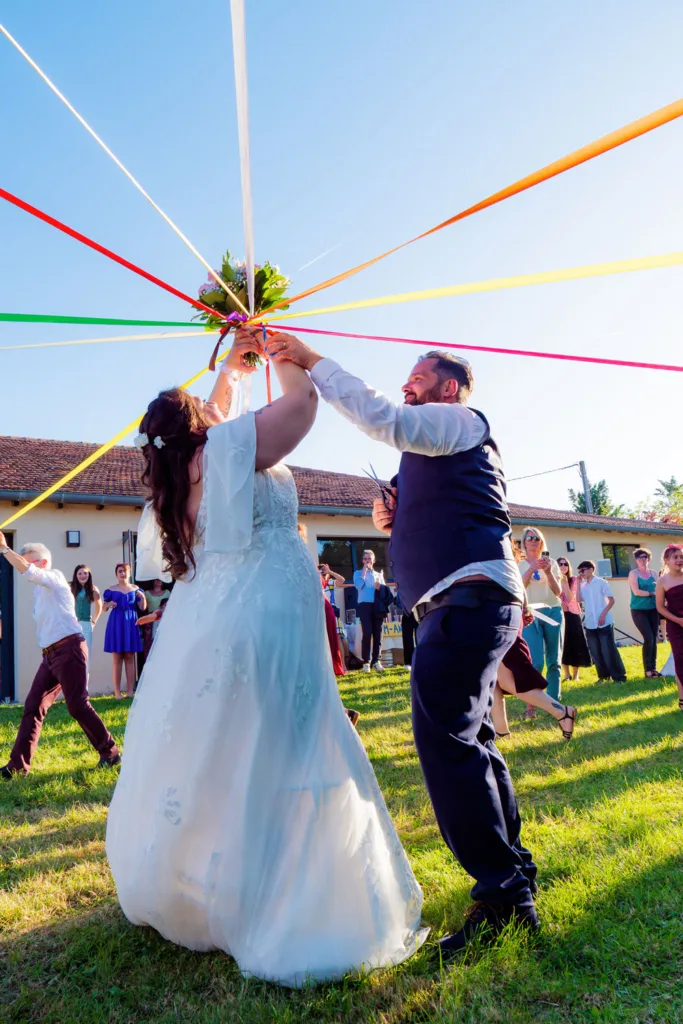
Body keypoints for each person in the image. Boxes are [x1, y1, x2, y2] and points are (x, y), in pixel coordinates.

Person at [106, 328, 425, 987]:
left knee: (226, 744)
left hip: (211, 619)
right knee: (283, 739)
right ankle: (278, 897)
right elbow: (301, 410)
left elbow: (222, 411)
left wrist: (237, 363)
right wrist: (289, 355)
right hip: (267, 613)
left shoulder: (182, 473)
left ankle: (209, 880)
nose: (215, 404)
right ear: (198, 425)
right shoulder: (225, 447)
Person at [267, 332, 538, 954]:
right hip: (466, 600)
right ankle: (512, 873)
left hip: (469, 598)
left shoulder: (459, 420)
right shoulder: (433, 444)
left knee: (444, 740)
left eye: (417, 377)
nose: (406, 385)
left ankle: (502, 897)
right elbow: (427, 501)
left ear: (447, 387)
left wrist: (310, 361)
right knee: (471, 739)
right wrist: (393, 517)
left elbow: (385, 420)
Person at [0, 537, 120, 777]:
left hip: (70, 649)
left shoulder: (54, 577)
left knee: (77, 705)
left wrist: (4, 549)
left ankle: (111, 754)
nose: (23, 564)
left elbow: (29, 572)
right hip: (50, 656)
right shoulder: (39, 592)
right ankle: (18, 766)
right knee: (33, 706)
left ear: (42, 562)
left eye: (28, 560)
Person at [518, 528, 564, 706]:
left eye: (536, 538)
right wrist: (531, 569)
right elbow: (518, 587)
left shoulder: (551, 562)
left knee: (554, 660)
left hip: (552, 611)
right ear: (524, 542)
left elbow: (558, 592)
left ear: (541, 541)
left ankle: (554, 703)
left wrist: (548, 572)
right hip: (530, 614)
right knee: (535, 661)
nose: (533, 540)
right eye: (529, 537)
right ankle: (533, 701)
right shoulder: (519, 564)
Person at [576, 560, 627, 682]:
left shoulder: (601, 582)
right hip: (590, 623)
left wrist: (603, 614)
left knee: (608, 650)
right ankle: (603, 676)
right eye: (579, 571)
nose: (581, 573)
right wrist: (578, 584)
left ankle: (619, 676)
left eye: (582, 570)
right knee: (595, 651)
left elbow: (611, 600)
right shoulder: (583, 586)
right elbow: (578, 599)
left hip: (604, 622)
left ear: (590, 569)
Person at [102, 564, 147, 699]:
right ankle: (117, 692)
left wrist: (143, 598)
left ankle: (129, 691)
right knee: (117, 657)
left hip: (131, 622)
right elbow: (104, 608)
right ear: (116, 574)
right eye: (120, 571)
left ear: (129, 573)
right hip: (116, 622)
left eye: (125, 571)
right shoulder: (110, 590)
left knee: (129, 656)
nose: (123, 573)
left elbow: (142, 608)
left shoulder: (136, 589)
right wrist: (108, 605)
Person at [655, 544, 683, 711]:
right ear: (666, 561)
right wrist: (678, 620)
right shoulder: (662, 581)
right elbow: (660, 607)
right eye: (675, 557)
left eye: (681, 557)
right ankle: (682, 698)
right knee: (680, 661)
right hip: (676, 625)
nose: (679, 560)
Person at [351, 549, 387, 672]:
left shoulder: (378, 574)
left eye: (369, 559)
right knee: (367, 633)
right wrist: (364, 572)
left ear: (373, 560)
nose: (367, 561)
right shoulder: (357, 573)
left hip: (377, 606)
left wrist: (379, 588)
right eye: (365, 559)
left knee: (378, 634)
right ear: (362, 561)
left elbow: (384, 592)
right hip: (364, 606)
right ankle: (366, 662)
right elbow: (359, 586)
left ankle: (376, 661)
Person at [557, 557, 591, 682]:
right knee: (563, 644)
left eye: (565, 564)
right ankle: (566, 674)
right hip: (560, 613)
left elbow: (571, 598)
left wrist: (565, 583)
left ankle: (575, 675)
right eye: (560, 564)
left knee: (576, 643)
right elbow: (552, 595)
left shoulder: (574, 580)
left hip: (573, 614)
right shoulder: (553, 579)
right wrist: (561, 603)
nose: (563, 566)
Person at [628, 548, 661, 678]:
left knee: (654, 639)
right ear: (636, 560)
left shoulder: (654, 573)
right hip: (638, 610)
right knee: (649, 638)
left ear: (649, 559)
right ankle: (647, 670)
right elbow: (636, 592)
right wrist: (652, 593)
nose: (642, 559)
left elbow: (660, 588)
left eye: (645, 557)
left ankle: (654, 669)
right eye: (639, 557)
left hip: (653, 609)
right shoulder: (633, 573)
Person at [70, 564, 103, 660]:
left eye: (85, 573)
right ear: (76, 575)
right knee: (72, 654)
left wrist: (93, 622)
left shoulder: (93, 588)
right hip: (72, 623)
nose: (83, 576)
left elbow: (99, 606)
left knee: (84, 654)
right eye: (80, 573)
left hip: (85, 623)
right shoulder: (71, 587)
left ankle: (85, 675)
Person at [141, 578, 167, 659]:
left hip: (163, 619)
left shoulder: (167, 592)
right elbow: (143, 607)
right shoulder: (147, 593)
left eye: (160, 580)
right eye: (156, 580)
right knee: (150, 642)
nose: (158, 581)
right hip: (150, 620)